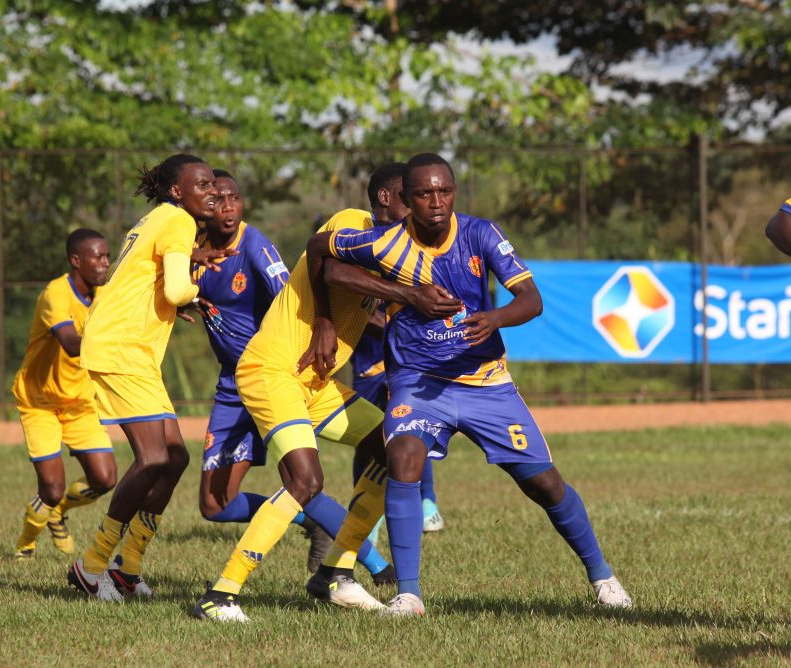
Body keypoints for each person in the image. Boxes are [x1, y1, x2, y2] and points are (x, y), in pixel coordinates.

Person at [308, 153, 632, 616]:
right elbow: (321, 254)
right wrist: (335, 316)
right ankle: (409, 594)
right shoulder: (383, 243)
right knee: (402, 457)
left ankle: (603, 577)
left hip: (485, 381)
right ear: (407, 199)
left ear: (454, 192)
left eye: (444, 191)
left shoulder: (481, 233)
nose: (436, 202)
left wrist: (494, 319)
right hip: (417, 380)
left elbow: (532, 299)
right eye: (424, 193)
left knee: (544, 483)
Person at [193, 189, 459, 622]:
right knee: (305, 481)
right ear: (387, 199)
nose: (420, 213)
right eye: (412, 202)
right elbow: (331, 269)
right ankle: (220, 595)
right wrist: (333, 317)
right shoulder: (352, 221)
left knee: (395, 449)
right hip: (272, 371)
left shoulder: (397, 253)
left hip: (316, 384)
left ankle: (335, 572)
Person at [193, 169, 393, 581]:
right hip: (239, 385)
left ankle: (368, 565)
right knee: (216, 505)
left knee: (304, 478)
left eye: (234, 198)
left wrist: (342, 325)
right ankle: (314, 530)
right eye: (217, 201)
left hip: (284, 372)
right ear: (201, 209)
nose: (227, 208)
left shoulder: (256, 249)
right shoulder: (189, 255)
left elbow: (298, 292)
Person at [67, 154, 226, 602]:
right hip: (119, 348)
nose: (212, 190)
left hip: (132, 351)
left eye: (214, 182)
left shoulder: (162, 218)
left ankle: (127, 566)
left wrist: (183, 287)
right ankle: (92, 565)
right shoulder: (176, 221)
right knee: (154, 458)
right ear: (177, 192)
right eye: (202, 184)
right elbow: (175, 288)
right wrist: (195, 295)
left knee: (175, 458)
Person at [349, 163, 444, 537]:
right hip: (370, 364)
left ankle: (427, 502)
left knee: (415, 426)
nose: (419, 205)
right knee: (370, 438)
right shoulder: (364, 242)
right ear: (387, 198)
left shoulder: (418, 242)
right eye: (411, 197)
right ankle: (365, 518)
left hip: (409, 362)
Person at [10, 229, 117, 561]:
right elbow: (72, 345)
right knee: (52, 489)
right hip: (39, 401)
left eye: (107, 256)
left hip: (80, 402)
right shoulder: (55, 295)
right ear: (76, 261)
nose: (105, 263)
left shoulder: (105, 293)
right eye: (97, 257)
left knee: (105, 479)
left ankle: (58, 513)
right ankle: (25, 547)